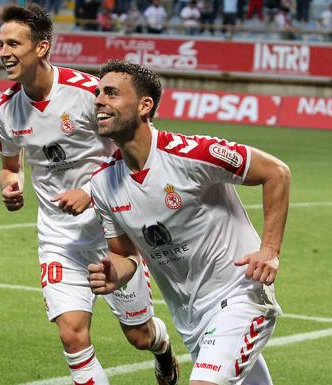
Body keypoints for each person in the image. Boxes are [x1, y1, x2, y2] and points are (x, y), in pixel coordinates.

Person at [0, 5, 178, 385]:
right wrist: (10, 183)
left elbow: (135, 150)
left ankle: (163, 349)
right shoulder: (4, 112)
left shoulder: (87, 94)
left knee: (139, 337)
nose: (4, 51)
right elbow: (10, 165)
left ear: (42, 47)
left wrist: (91, 191)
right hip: (59, 238)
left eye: (14, 43)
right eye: (1, 43)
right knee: (71, 334)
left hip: (113, 233)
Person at [88, 60, 290, 385]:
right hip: (192, 319)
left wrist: (269, 249)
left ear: (144, 105)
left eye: (111, 93)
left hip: (240, 296)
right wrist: (115, 273)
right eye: (98, 93)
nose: (99, 100)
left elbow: (276, 172)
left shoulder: (191, 154)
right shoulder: (102, 184)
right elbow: (124, 256)